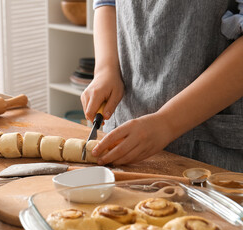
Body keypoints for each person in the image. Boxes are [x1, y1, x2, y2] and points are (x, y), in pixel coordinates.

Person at [81, 0, 243, 172]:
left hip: (210, 153)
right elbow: (107, 3)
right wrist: (105, 69)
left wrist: (168, 123)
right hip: (122, 126)